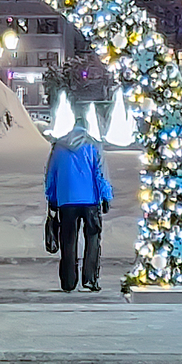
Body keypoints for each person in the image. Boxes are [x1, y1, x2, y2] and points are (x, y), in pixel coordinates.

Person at [45, 123, 112, 294]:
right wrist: (105, 196)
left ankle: (68, 281)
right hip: (90, 201)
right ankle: (89, 279)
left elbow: (51, 174)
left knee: (68, 240)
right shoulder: (93, 145)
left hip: (66, 200)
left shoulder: (58, 147)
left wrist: (52, 198)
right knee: (93, 240)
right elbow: (99, 173)